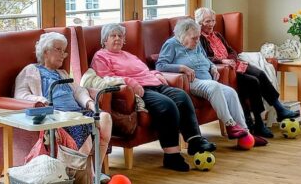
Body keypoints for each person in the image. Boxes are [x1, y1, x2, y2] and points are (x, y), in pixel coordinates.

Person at [91, 23, 217, 171]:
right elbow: (105, 78)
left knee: (182, 97)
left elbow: (145, 70)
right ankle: (172, 156)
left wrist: (156, 74)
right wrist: (130, 82)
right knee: (167, 106)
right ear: (105, 40)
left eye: (120, 36)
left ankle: (194, 141)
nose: (117, 38)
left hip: (155, 83)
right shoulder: (101, 56)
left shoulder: (129, 55)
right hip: (141, 90)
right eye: (113, 36)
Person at [194, 7, 300, 138]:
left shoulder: (217, 35)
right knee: (253, 81)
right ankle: (262, 122)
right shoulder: (198, 39)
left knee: (260, 74)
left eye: (213, 21)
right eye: (207, 22)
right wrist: (223, 61)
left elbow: (231, 51)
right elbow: (203, 58)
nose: (211, 24)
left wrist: (232, 59)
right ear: (199, 23)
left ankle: (277, 110)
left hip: (235, 64)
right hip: (225, 70)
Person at [156, 18, 264, 147]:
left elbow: (205, 58)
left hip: (207, 80)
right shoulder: (171, 44)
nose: (197, 41)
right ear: (182, 36)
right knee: (214, 86)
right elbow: (160, 65)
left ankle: (245, 134)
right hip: (192, 82)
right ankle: (230, 125)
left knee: (231, 92)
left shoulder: (197, 44)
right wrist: (181, 68)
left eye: (198, 38)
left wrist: (212, 67)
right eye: (194, 38)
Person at [13, 32, 112, 171]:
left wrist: (90, 104)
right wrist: (40, 100)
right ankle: (84, 178)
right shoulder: (31, 70)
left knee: (105, 118)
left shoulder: (62, 73)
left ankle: (95, 171)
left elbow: (78, 91)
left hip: (77, 112)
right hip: (59, 116)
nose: (63, 54)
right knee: (85, 127)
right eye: (58, 49)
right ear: (46, 52)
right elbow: (20, 94)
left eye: (63, 51)